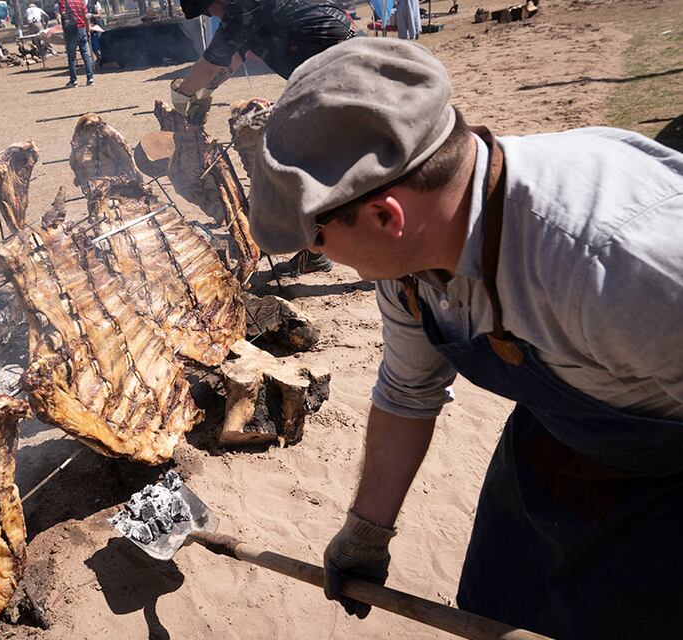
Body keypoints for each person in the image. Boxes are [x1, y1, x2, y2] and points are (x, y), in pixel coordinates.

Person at [248, 37, 683, 639]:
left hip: (667, 485)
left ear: (385, 216)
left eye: (316, 239)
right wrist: (368, 527)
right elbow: (407, 391)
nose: (317, 255)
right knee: (497, 606)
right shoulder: (410, 262)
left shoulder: (621, 265)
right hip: (557, 442)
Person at [172, 0, 357, 277]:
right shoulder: (249, 12)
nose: (210, 15)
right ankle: (315, 248)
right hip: (328, 68)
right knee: (315, 163)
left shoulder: (243, 6)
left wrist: (183, 93)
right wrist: (206, 91)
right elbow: (232, 57)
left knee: (329, 163)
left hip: (339, 68)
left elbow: (214, 60)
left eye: (207, 8)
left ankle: (394, 250)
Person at [58, 0, 94, 87]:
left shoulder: (63, 1)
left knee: (72, 57)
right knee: (85, 54)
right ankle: (90, 78)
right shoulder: (80, 1)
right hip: (81, 29)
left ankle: (73, 80)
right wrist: (88, 29)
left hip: (70, 31)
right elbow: (85, 17)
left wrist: (64, 31)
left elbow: (63, 16)